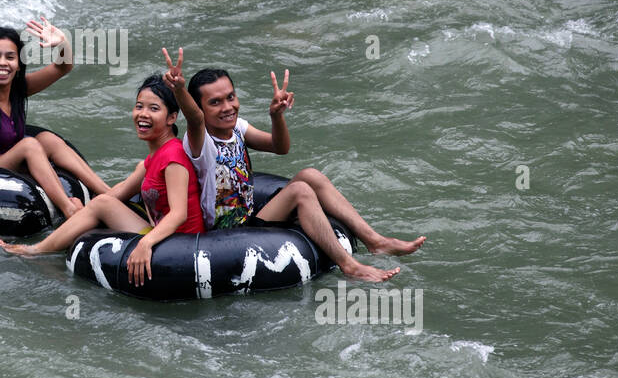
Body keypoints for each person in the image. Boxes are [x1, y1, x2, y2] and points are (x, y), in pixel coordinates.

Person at [161, 48, 425, 282]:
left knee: (310, 176)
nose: (228, 107)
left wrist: (276, 116)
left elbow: (280, 147)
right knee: (300, 191)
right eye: (215, 102)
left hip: (251, 217)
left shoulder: (237, 129)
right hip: (226, 235)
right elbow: (194, 118)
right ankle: (350, 266)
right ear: (200, 108)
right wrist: (179, 89)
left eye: (231, 97)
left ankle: (375, 241)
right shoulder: (200, 141)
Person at [0, 75, 204, 287]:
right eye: (139, 106)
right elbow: (119, 192)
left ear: (171, 118)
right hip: (165, 238)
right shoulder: (152, 159)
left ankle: (36, 250)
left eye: (154, 109)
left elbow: (179, 214)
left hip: (182, 248)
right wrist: (83, 210)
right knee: (102, 203)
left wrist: (145, 243)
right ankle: (46, 246)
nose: (143, 114)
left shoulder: (173, 157)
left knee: (103, 204)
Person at [0, 19, 111, 219]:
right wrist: (17, 157)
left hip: (12, 161)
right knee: (29, 145)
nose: (2, 63)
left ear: (19, 65)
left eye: (10, 57)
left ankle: (107, 192)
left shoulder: (17, 91)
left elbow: (62, 68)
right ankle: (69, 209)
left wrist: (62, 43)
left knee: (46, 138)